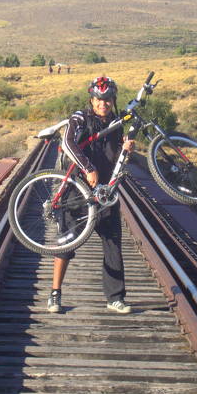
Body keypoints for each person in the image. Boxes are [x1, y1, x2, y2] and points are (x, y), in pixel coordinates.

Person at [48, 76, 134, 314]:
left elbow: (116, 158)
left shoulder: (117, 123)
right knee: (66, 244)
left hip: (105, 193)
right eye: (98, 100)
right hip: (76, 191)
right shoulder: (80, 117)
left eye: (107, 100)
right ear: (91, 100)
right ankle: (55, 294)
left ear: (113, 100)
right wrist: (88, 167)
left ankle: (115, 297)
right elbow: (68, 142)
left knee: (113, 244)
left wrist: (126, 152)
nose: (102, 104)